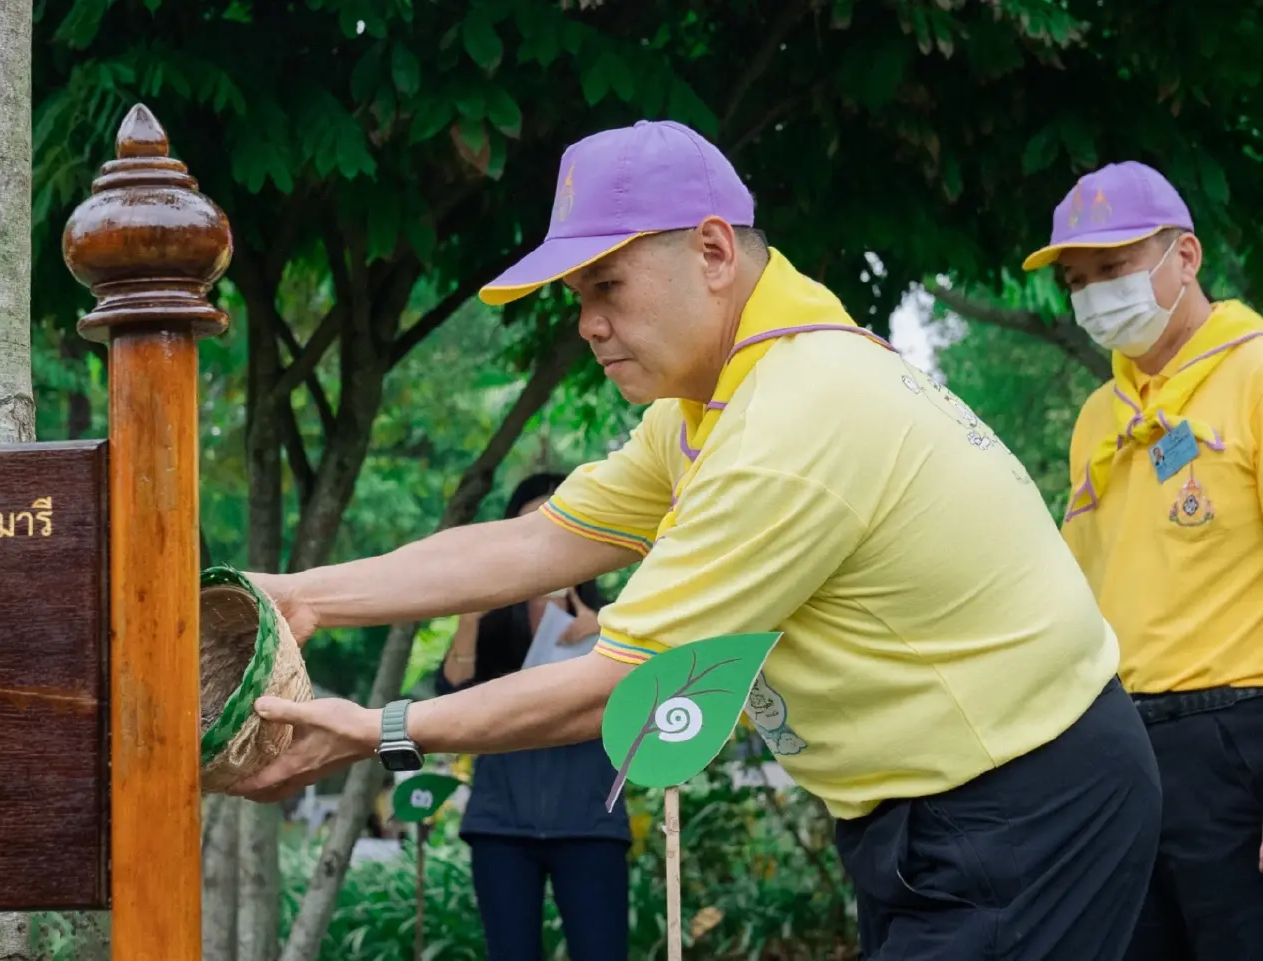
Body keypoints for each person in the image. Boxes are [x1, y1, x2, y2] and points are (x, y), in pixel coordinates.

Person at [234, 119, 1161, 960]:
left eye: (608, 285)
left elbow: (621, 683)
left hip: (1027, 802)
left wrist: (380, 732)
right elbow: (538, 542)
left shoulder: (795, 417)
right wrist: (303, 594)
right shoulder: (706, 409)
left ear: (714, 250)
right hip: (936, 806)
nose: (589, 323)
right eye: (577, 294)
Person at [1021, 160, 1263, 961]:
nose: (1094, 294)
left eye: (1114, 268)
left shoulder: (1254, 373)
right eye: (1077, 280)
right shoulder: (1100, 415)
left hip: (1239, 735)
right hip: (1123, 744)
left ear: (1185, 257)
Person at [433, 472, 631, 961]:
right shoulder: (495, 616)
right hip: (500, 823)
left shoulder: (618, 614)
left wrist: (604, 630)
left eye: (556, 524)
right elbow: (451, 694)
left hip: (590, 821)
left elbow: (647, 695)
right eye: (528, 527)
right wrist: (469, 616)